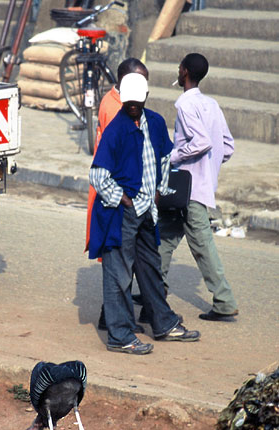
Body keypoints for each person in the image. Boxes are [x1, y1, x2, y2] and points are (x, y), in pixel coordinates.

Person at [89, 73, 201, 354]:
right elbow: (98, 176)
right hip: (120, 214)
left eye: (138, 103)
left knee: (150, 268)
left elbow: (165, 156)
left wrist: (160, 190)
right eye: (129, 104)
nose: (133, 108)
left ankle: (163, 323)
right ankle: (120, 335)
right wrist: (123, 199)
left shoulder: (155, 122)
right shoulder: (116, 130)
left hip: (147, 210)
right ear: (123, 100)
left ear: (146, 99)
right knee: (119, 275)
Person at [158, 53, 238, 322]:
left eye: (180, 67)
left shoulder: (184, 104)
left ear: (184, 72)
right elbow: (227, 146)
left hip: (188, 187)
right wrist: (210, 166)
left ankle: (224, 301)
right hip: (197, 186)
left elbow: (201, 141)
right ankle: (154, 290)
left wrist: (175, 156)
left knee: (202, 245)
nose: (178, 71)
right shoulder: (212, 104)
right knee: (165, 236)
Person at [85, 58, 149, 333]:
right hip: (114, 197)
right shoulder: (116, 110)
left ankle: (116, 317)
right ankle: (112, 320)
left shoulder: (118, 104)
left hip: (119, 194)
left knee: (121, 259)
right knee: (117, 260)